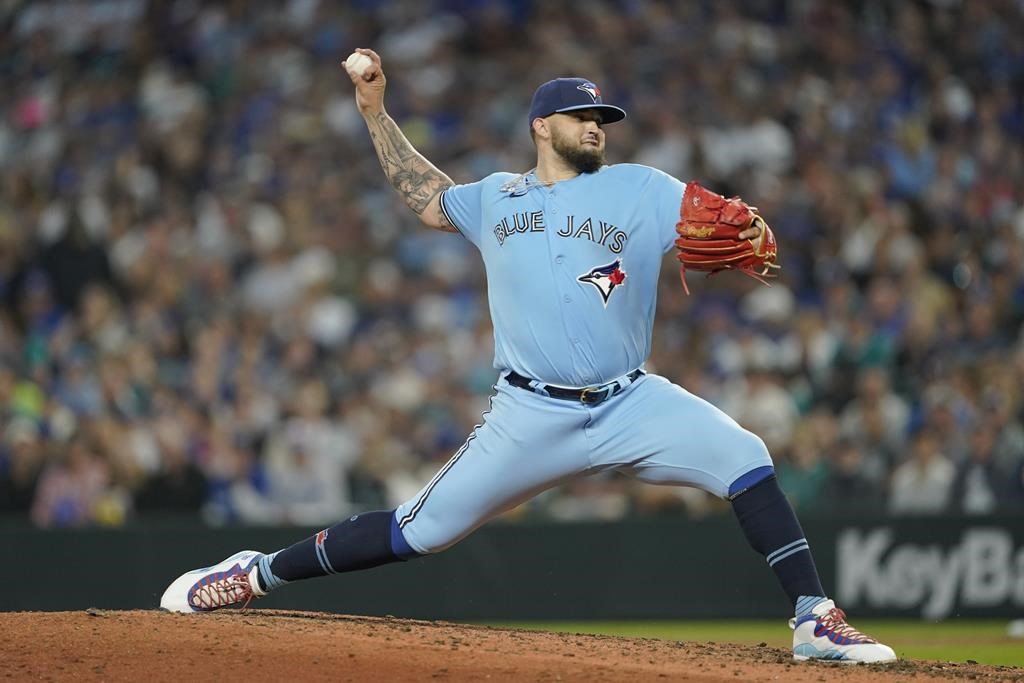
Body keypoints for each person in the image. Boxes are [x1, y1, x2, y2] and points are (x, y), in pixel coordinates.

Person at [160, 49, 895, 664]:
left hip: (630, 401)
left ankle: (812, 615)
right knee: (419, 531)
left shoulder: (643, 188)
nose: (597, 128)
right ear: (543, 125)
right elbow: (424, 195)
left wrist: (741, 226)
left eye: (603, 119)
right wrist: (375, 114)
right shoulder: (494, 198)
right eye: (583, 116)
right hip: (530, 411)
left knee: (745, 453)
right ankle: (252, 573)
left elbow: (725, 223)